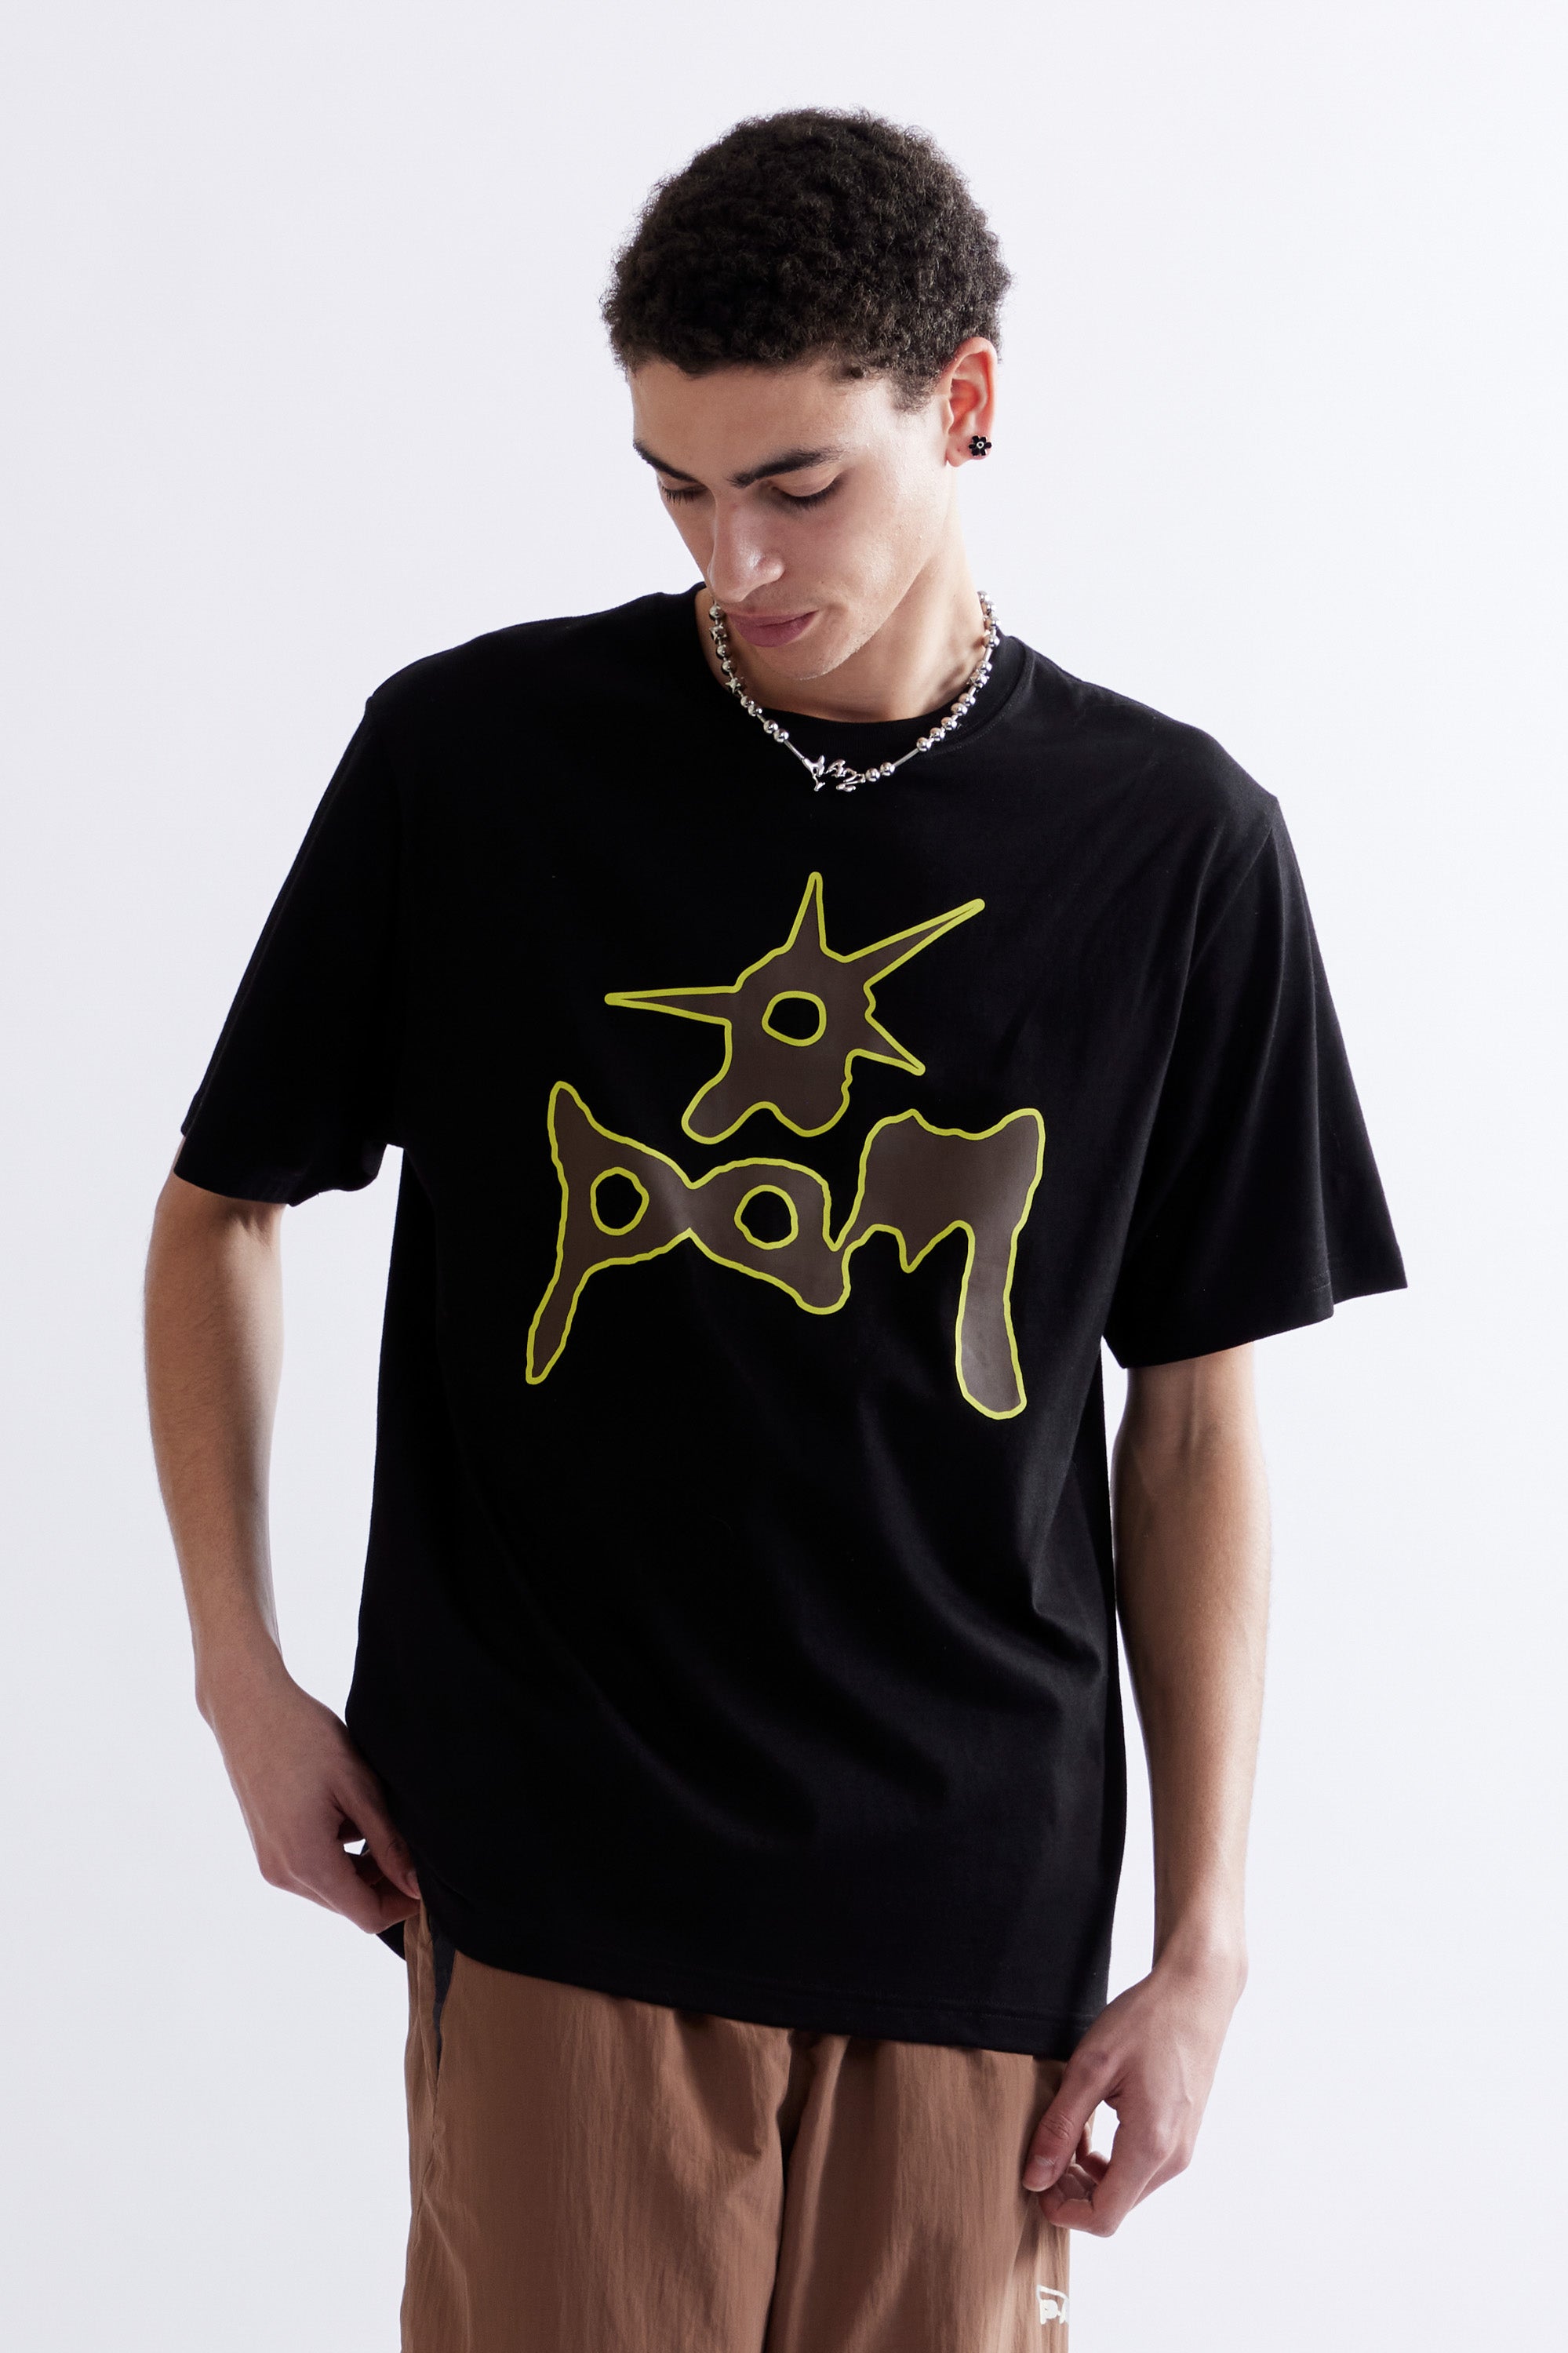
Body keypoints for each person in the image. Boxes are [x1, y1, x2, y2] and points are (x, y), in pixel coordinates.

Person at [144, 108, 1405, 2353]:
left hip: (977, 1902)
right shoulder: (477, 762)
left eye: (798, 484)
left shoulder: (1177, 844)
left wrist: (1205, 1940)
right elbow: (220, 1209)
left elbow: (1196, 1416)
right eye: (676, 486)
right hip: (556, 1861)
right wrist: (239, 1675)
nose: (734, 556)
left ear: (967, 402)